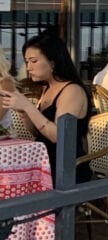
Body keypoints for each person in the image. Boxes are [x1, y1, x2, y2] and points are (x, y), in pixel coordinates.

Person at [0, 34, 91, 184]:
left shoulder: (72, 91)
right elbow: (39, 133)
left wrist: (28, 106)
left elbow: (58, 136)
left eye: (34, 61)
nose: (28, 68)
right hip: (43, 162)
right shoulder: (47, 88)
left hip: (65, 167)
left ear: (53, 62)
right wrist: (24, 113)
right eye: (27, 62)